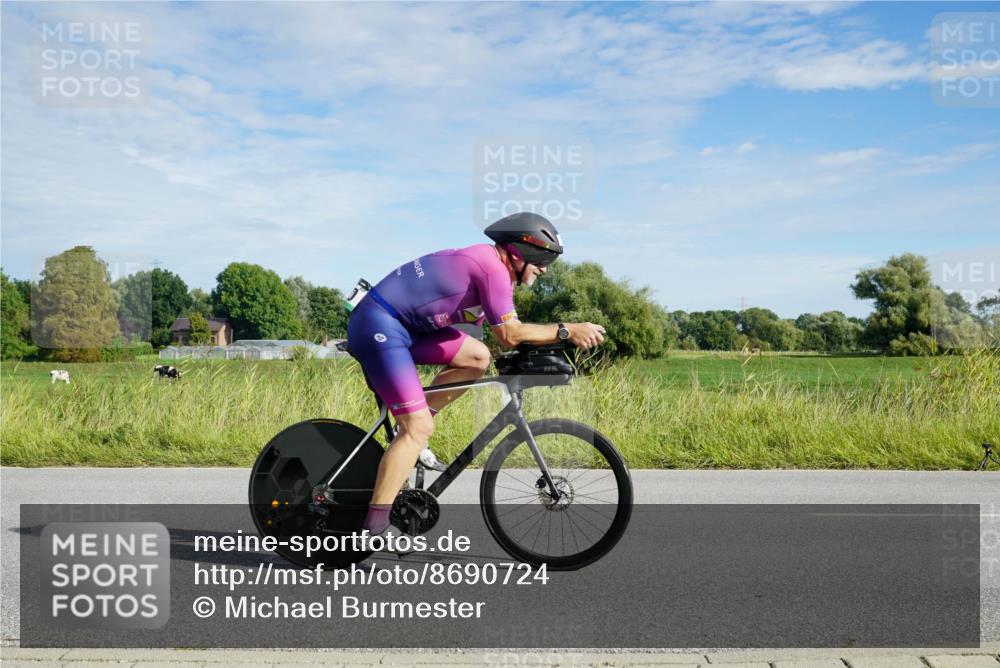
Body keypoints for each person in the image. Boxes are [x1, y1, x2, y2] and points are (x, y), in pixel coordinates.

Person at [346, 212, 606, 536]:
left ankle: (412, 428)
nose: (544, 268)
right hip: (378, 325)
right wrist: (567, 331)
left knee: (476, 358)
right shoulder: (491, 267)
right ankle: (372, 529)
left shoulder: (492, 269)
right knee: (419, 428)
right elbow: (510, 334)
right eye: (542, 259)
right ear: (519, 252)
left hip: (405, 329)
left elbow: (489, 340)